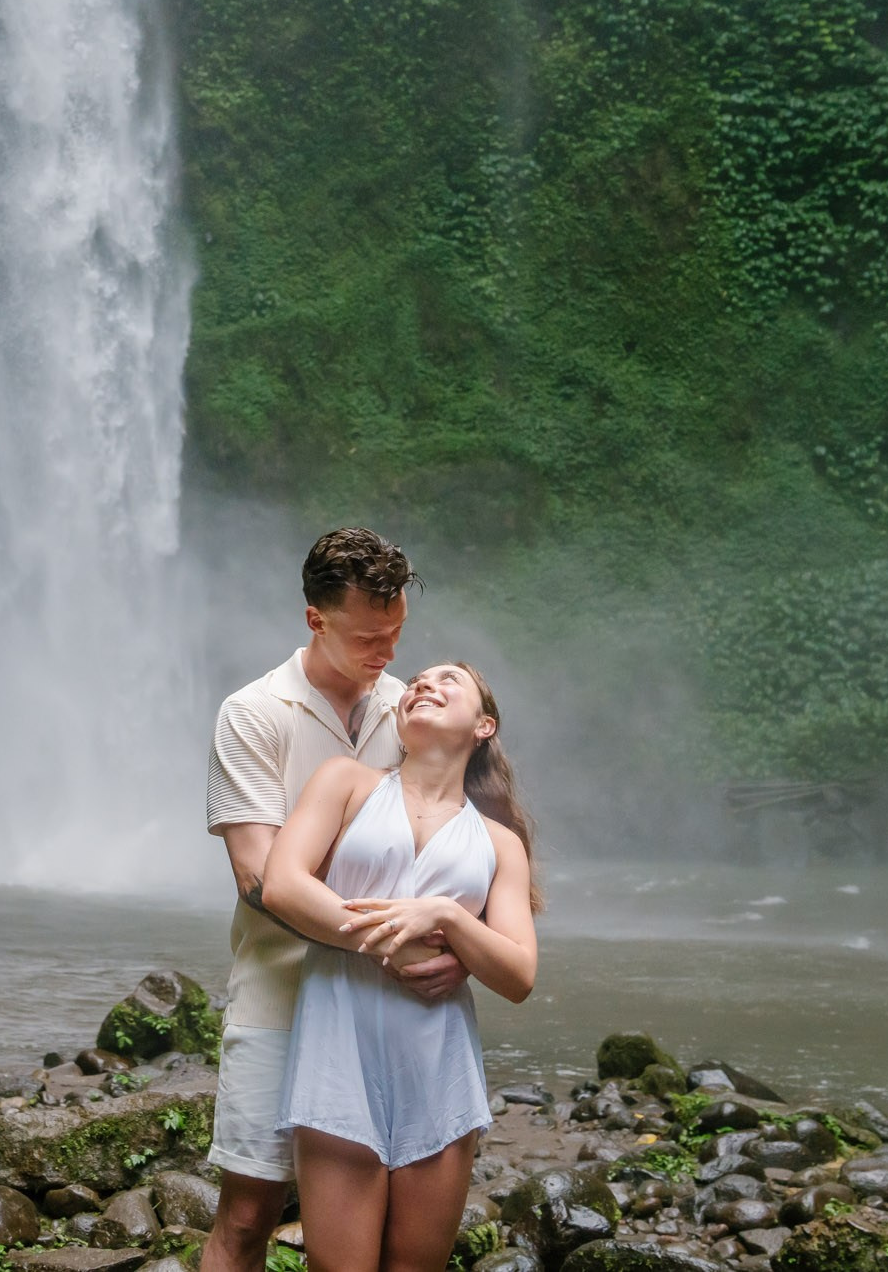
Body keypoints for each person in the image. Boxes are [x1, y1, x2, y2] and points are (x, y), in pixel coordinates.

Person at [202, 529, 470, 1272]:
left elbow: (464, 849)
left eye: (397, 633)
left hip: (383, 1012)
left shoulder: (414, 709)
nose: (387, 653)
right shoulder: (256, 712)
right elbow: (258, 879)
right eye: (367, 637)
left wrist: (464, 950)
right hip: (281, 993)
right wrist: (394, 938)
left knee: (377, 1232)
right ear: (316, 618)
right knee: (250, 1214)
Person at [263, 661, 540, 1272]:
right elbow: (281, 884)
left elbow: (519, 974)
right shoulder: (347, 783)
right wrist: (403, 944)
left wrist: (450, 917)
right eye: (417, 680)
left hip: (439, 1066)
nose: (424, 684)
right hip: (339, 1052)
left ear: (484, 725)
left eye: (449, 681)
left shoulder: (501, 843)